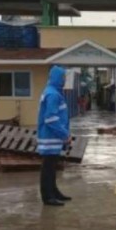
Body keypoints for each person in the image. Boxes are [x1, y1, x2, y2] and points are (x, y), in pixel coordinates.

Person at [37, 65, 72, 206]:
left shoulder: (54, 92)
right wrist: (64, 134)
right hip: (51, 137)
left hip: (53, 137)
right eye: (63, 77)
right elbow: (50, 118)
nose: (64, 80)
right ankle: (47, 196)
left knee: (52, 168)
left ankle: (54, 192)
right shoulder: (52, 94)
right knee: (48, 168)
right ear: (57, 78)